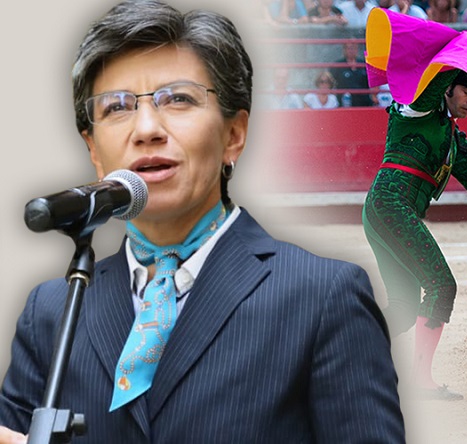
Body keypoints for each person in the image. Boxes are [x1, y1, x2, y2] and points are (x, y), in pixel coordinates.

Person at [0, 1, 404, 442]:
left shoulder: (322, 297)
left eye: (178, 98)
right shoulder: (53, 310)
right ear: (94, 150)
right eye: (117, 107)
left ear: (234, 134)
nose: (146, 128)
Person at [362, 70, 467, 401]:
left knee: (403, 305)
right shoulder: (418, 106)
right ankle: (420, 381)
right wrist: (454, 64)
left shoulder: (451, 136)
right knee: (442, 285)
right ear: (447, 90)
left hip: (388, 209)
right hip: (391, 205)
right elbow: (432, 88)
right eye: (465, 93)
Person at [331, 42, 373, 107]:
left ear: (357, 50)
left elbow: (372, 81)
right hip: (344, 100)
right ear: (344, 50)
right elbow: (331, 82)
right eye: (349, 48)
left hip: (364, 100)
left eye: (353, 48)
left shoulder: (364, 63)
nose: (351, 51)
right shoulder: (338, 65)